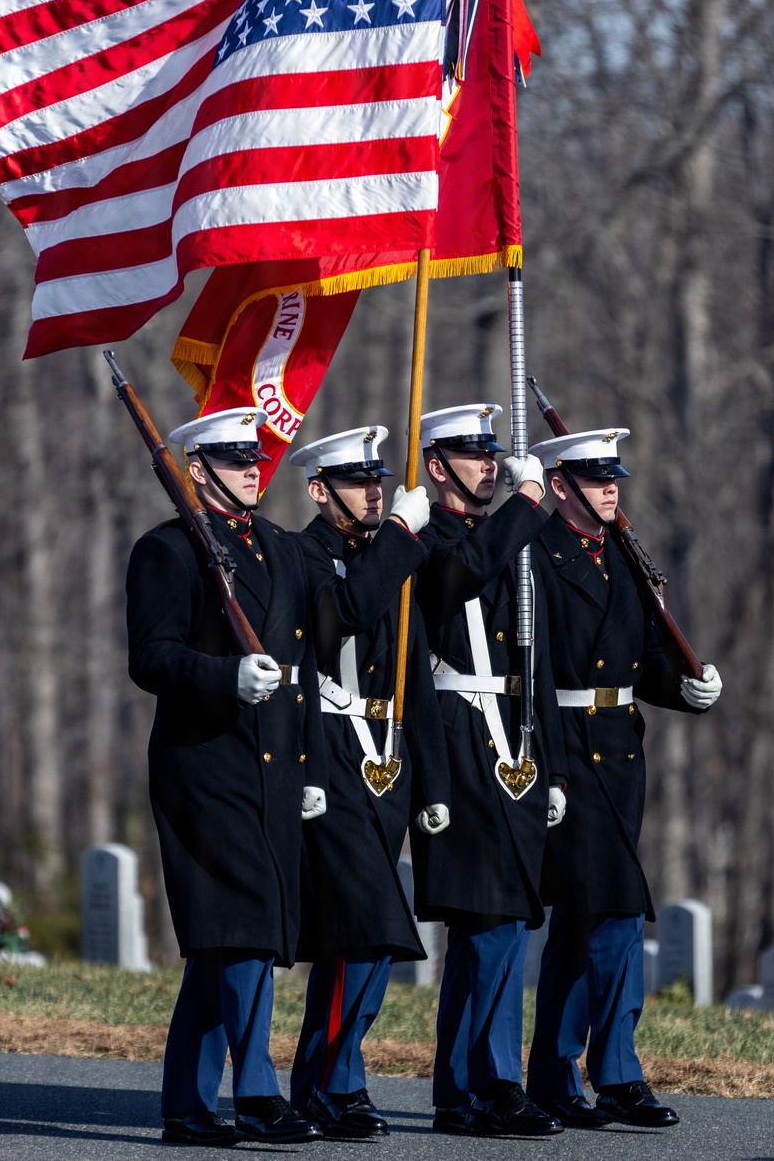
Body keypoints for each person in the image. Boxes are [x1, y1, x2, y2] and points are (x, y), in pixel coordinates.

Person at [126, 407, 326, 1147]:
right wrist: (224, 675)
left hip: (273, 764)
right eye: (238, 460)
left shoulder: (276, 546)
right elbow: (150, 657)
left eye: (258, 457)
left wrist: (306, 758)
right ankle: (258, 1091)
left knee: (229, 937)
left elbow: (301, 661)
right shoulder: (169, 551)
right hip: (205, 765)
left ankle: (185, 1104)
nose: (254, 469)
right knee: (241, 930)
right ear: (198, 470)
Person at [525, 427, 722, 1130]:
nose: (612, 487)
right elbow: (532, 671)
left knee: (582, 921)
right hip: (568, 755)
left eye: (614, 477)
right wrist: (544, 767)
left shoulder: (621, 556)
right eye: (595, 477)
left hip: (621, 751)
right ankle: (615, 1073)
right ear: (559, 486)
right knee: (614, 911)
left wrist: (685, 687)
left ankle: (552, 1076)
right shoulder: (535, 556)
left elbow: (643, 658)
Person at [287, 425, 451, 1138]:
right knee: (371, 930)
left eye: (379, 480)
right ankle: (335, 1082)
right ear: (320, 491)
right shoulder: (302, 557)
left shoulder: (391, 559)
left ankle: (324, 1081)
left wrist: (435, 786)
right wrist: (405, 537)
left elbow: (415, 682)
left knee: (357, 935)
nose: (375, 491)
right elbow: (341, 616)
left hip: (387, 763)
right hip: (329, 756)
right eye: (358, 481)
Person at [411, 404, 568, 1139]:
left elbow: (534, 661)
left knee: (505, 917)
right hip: (460, 738)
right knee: (485, 916)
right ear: (438, 467)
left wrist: (556, 767)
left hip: (515, 740)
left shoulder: (514, 541)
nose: (491, 467)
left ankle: (479, 1082)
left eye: (493, 455)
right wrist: (530, 502)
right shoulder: (431, 540)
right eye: (474, 457)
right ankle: (481, 1081)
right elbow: (463, 578)